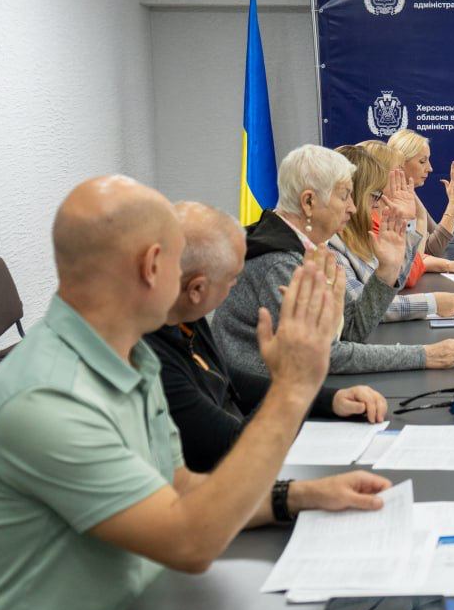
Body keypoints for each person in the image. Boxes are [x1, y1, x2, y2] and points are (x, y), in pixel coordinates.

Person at [0, 176, 397, 610]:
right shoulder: (45, 397)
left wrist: (299, 495)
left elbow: (179, 488)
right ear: (153, 265)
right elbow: (190, 540)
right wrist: (293, 387)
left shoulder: (130, 356)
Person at [145, 201, 392, 472]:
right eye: (231, 278)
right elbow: (232, 451)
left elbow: (229, 379)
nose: (235, 285)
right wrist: (292, 380)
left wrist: (330, 400)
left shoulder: (185, 319)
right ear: (196, 290)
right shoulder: (153, 359)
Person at [212, 144, 454, 374]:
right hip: (259, 403)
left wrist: (387, 272)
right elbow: (325, 356)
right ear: (309, 202)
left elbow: (352, 328)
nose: (353, 208)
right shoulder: (279, 262)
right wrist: (424, 355)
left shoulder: (307, 248)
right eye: (345, 195)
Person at [332, 145, 454, 320]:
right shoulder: (336, 244)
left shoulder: (357, 232)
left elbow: (391, 284)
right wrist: (432, 303)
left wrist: (409, 221)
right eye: (398, 170)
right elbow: (364, 307)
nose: (429, 168)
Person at [357, 139, 454, 286]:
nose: (430, 168)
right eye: (422, 161)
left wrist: (448, 265)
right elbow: (408, 272)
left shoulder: (384, 210)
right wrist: (418, 217)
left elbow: (414, 257)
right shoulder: (371, 219)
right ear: (377, 176)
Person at [386, 129, 454, 258]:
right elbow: (431, 250)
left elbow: (434, 236)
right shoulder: (390, 201)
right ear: (400, 164)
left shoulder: (407, 192)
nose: (430, 168)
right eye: (422, 161)